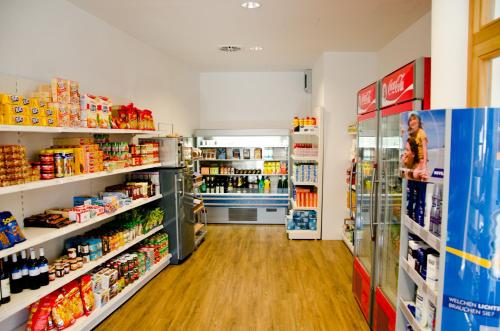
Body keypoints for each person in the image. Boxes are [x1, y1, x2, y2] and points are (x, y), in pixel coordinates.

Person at [407, 113, 429, 180]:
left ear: (418, 122)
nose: (412, 121)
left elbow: (425, 150)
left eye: (414, 119)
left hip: (421, 160)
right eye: (410, 120)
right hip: (414, 160)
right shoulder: (411, 134)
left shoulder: (421, 132)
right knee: (408, 175)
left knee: (416, 175)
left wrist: (424, 165)